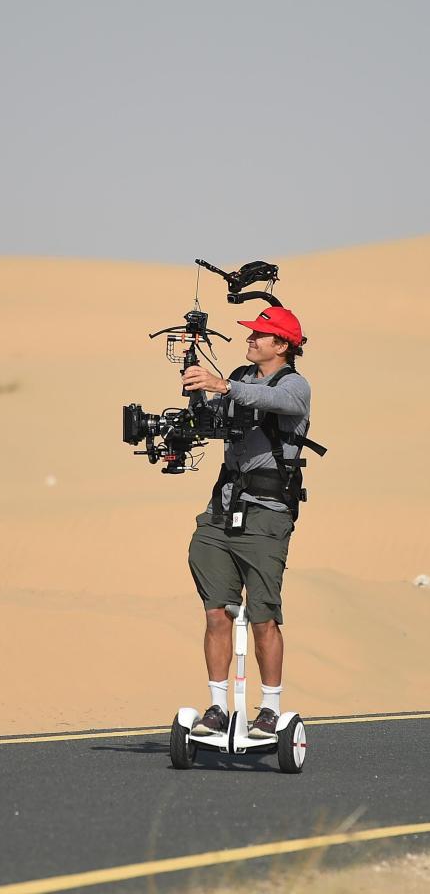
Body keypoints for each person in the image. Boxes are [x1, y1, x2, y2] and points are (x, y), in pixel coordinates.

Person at [181, 306, 311, 738]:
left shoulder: (294, 385)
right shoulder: (239, 375)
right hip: (222, 510)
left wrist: (223, 385)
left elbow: (273, 401)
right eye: (252, 333)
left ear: (283, 345)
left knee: (262, 617)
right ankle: (217, 708)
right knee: (216, 612)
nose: (251, 339)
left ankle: (270, 710)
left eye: (261, 335)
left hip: (267, 513)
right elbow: (214, 417)